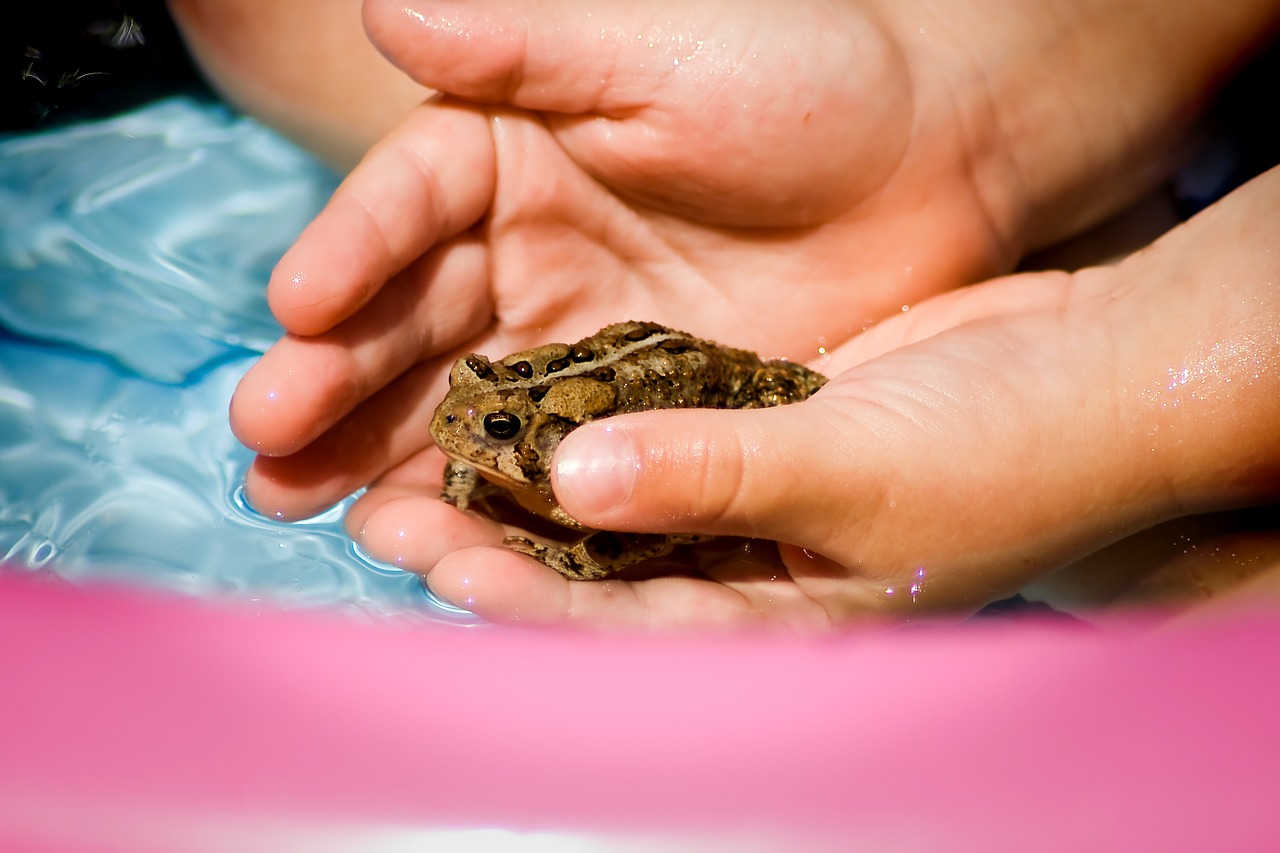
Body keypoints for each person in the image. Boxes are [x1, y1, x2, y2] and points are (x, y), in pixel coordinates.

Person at [180, 0, 1280, 630]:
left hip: (724, 374)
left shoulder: (581, 461)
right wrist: (959, 117)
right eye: (479, 411)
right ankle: (1057, 193)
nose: (465, 439)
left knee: (1197, 581)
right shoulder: (500, 428)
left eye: (497, 430)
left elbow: (657, 514)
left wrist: (1142, 387)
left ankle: (1083, 249)